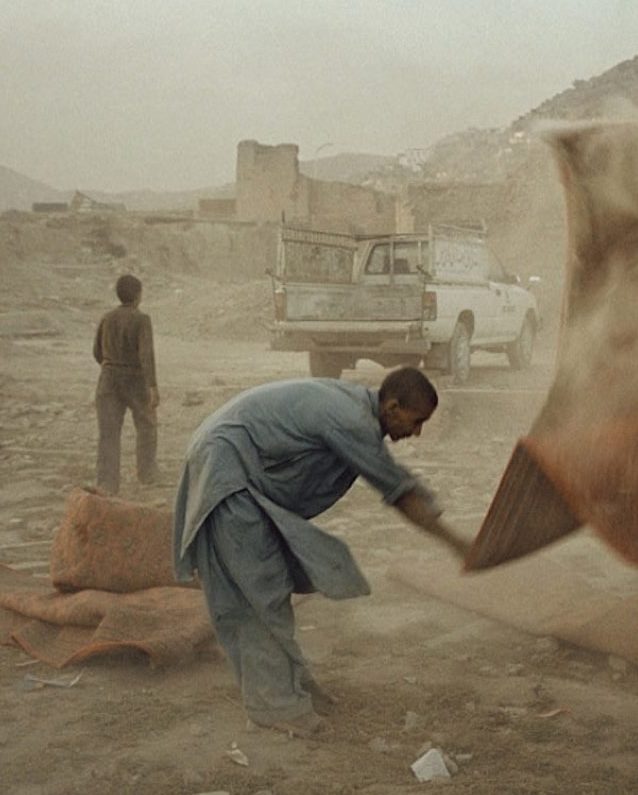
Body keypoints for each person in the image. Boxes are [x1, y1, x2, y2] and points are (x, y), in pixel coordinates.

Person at [173, 367, 470, 736]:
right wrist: (458, 544)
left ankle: (291, 685)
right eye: (417, 421)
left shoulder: (356, 409)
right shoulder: (352, 421)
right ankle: (275, 705)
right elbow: (399, 490)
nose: (417, 432)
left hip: (233, 465)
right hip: (227, 470)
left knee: (269, 583)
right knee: (258, 592)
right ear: (392, 406)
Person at [93, 274, 159, 495]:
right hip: (134, 379)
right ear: (138, 295)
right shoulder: (142, 320)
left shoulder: (107, 317)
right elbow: (146, 355)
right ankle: (147, 474)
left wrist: (111, 365)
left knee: (109, 433)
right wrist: (152, 386)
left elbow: (97, 352)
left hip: (108, 379)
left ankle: (106, 483)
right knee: (147, 425)